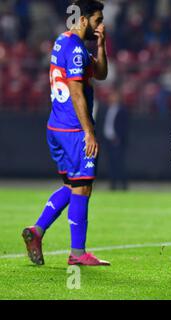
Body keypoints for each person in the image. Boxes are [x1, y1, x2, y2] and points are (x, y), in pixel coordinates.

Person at [22, 0, 110, 266]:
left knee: (71, 185)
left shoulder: (64, 41)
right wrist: (89, 133)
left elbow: (101, 74)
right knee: (83, 188)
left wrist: (101, 44)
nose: (100, 24)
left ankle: (36, 231)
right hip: (73, 130)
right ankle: (77, 253)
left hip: (56, 127)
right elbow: (75, 92)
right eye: (97, 19)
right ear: (83, 19)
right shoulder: (75, 50)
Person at [102, 89, 129, 191]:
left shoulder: (122, 110)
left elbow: (124, 126)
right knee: (110, 164)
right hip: (107, 141)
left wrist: (119, 138)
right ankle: (112, 185)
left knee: (119, 164)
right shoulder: (106, 109)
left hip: (117, 141)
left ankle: (123, 185)